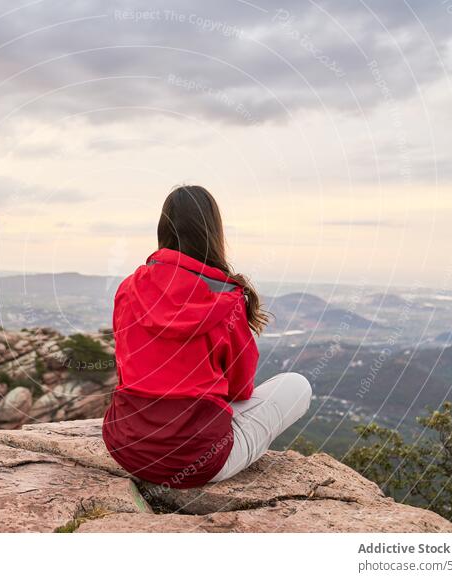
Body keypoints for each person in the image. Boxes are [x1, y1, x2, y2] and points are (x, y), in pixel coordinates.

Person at [102, 185, 312, 488]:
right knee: (297, 385)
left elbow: (128, 368)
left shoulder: (129, 288)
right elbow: (240, 389)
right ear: (214, 232)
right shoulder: (226, 299)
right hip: (197, 463)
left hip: (126, 449)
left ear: (164, 228)